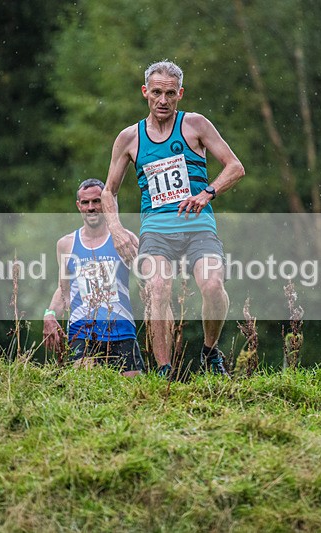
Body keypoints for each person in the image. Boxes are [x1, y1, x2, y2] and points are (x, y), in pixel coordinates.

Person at [100, 60, 245, 378]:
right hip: (156, 230)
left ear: (180, 93)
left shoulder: (195, 125)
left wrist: (208, 193)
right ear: (145, 93)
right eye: (156, 93)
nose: (162, 100)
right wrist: (117, 229)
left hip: (198, 227)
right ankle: (164, 369)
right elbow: (108, 192)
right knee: (158, 288)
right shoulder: (129, 138)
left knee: (212, 285)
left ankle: (209, 352)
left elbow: (235, 167)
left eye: (169, 93)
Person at [43, 179, 145, 377]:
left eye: (97, 201)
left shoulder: (125, 239)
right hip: (83, 329)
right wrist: (50, 314)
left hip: (121, 327)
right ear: (78, 206)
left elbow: (147, 280)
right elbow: (64, 291)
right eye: (86, 202)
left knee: (134, 393)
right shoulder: (66, 244)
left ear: (107, 204)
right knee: (86, 387)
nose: (91, 208)